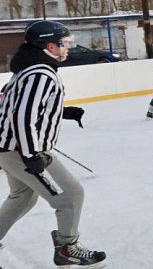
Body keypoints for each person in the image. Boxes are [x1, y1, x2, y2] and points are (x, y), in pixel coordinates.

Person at [0, 20, 106, 267]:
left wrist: (62, 112)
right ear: (50, 46)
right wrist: (31, 155)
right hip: (23, 150)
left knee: (23, 196)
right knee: (70, 196)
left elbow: (14, 104)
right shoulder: (41, 74)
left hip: (10, 148)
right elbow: (23, 116)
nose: (68, 48)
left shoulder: (28, 69)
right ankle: (67, 248)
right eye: (64, 43)